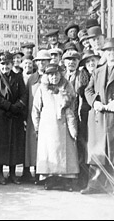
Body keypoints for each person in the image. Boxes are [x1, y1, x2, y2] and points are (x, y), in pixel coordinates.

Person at [82, 37, 114, 195]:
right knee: (98, 152)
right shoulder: (98, 71)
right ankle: (94, 185)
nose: (112, 54)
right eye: (108, 51)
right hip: (100, 118)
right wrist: (94, 102)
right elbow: (88, 90)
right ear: (104, 53)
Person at [32, 63, 79, 191]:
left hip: (64, 122)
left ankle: (66, 180)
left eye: (56, 74)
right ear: (47, 76)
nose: (54, 77)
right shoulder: (42, 88)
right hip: (47, 125)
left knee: (66, 153)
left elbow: (73, 103)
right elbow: (36, 109)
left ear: (60, 74)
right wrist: (37, 127)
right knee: (50, 153)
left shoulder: (67, 86)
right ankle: (50, 179)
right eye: (51, 74)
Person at [0, 52, 27, 185]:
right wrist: (9, 106)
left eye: (8, 63)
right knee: (0, 145)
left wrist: (17, 107)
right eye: (3, 64)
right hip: (0, 115)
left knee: (14, 145)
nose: (5, 66)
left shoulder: (18, 77)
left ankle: (12, 173)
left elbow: (23, 94)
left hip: (15, 115)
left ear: (12, 64)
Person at [22, 50, 51, 183]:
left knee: (45, 145)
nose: (41, 64)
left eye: (44, 61)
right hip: (32, 116)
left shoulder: (54, 76)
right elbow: (27, 98)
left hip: (47, 116)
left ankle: (44, 174)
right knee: (32, 145)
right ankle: (29, 171)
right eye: (39, 61)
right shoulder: (31, 78)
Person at [76, 50, 101, 190]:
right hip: (85, 115)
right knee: (85, 147)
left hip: (99, 113)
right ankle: (84, 180)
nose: (91, 63)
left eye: (93, 60)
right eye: (88, 61)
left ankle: (98, 181)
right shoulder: (82, 77)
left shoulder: (102, 74)